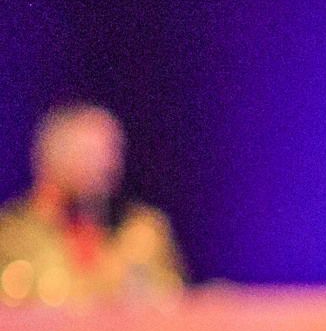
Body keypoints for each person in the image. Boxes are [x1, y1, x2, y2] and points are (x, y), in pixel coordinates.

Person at [0, 104, 187, 308]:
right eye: (87, 154)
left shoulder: (144, 231)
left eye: (111, 153)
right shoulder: (10, 235)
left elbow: (173, 302)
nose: (104, 166)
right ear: (49, 158)